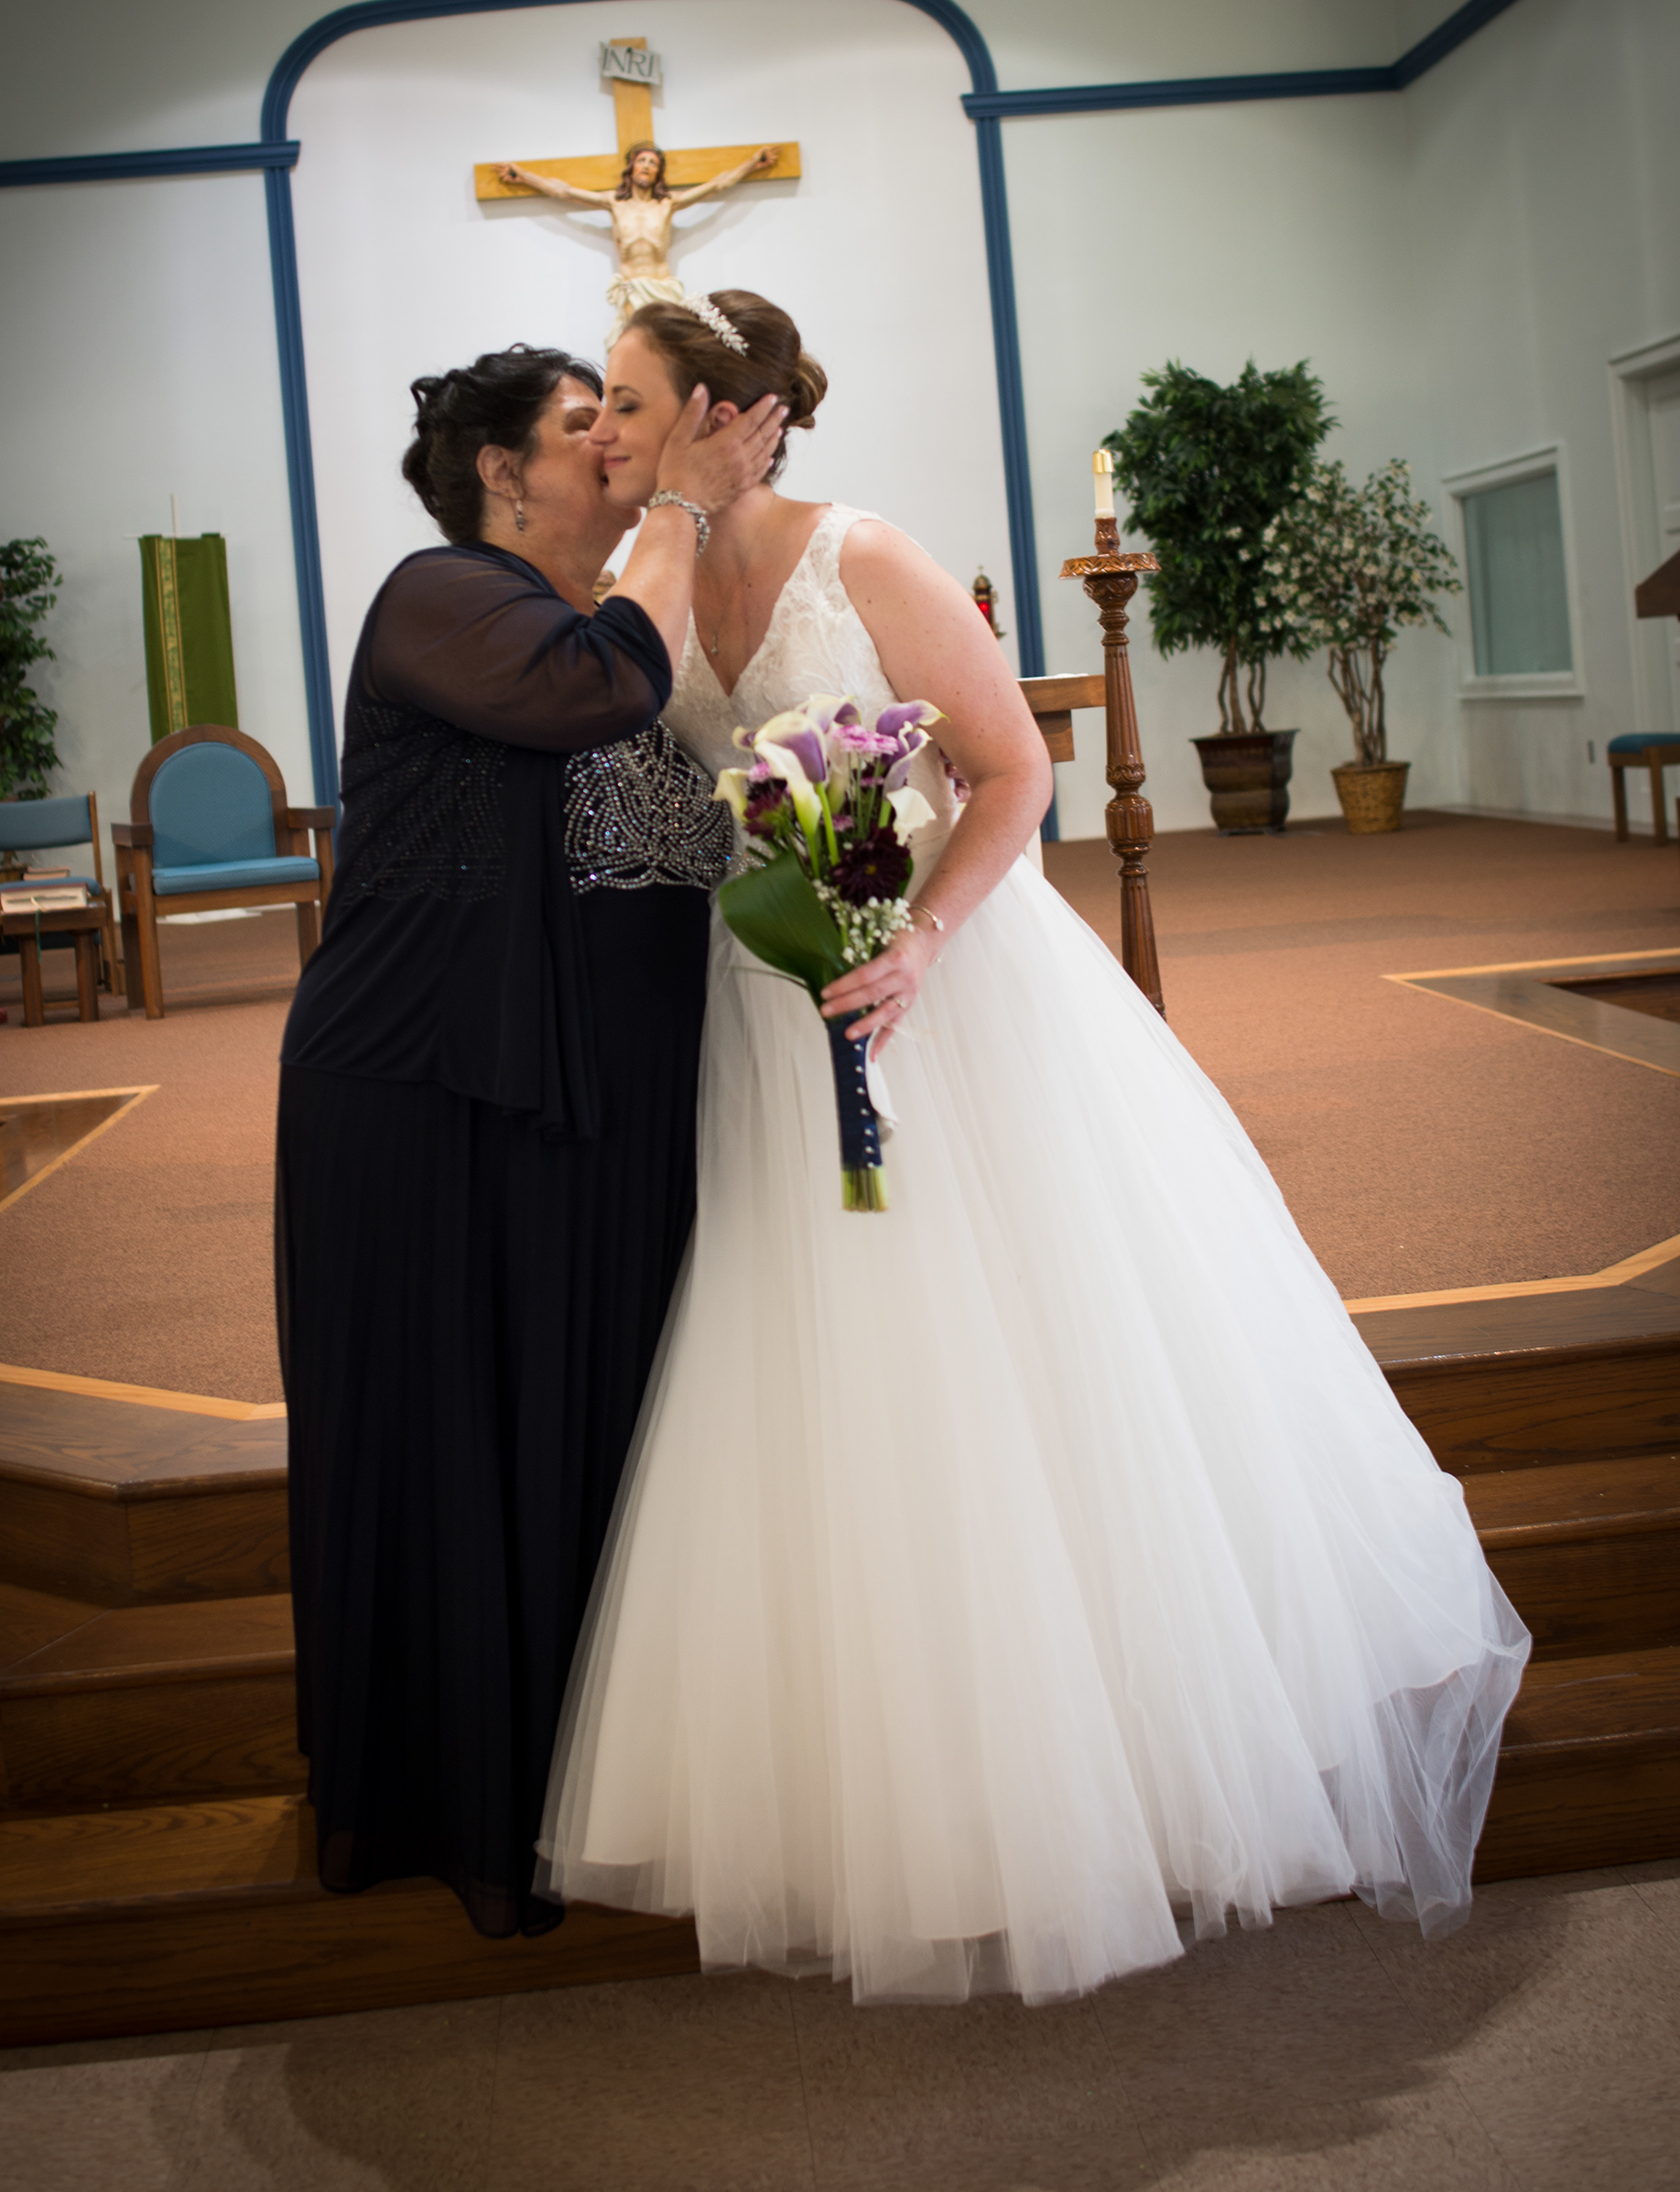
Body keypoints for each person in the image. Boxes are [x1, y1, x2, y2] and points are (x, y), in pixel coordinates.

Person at [537, 290, 1532, 2002]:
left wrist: (915, 937)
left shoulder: (866, 557)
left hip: (946, 991)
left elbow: (1010, 773)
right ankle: (896, 1781)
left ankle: (1125, 1753)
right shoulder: (646, 578)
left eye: (625, 402)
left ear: (717, 411)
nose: (600, 433)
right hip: (768, 1009)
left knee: (1027, 1337)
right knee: (828, 1353)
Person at [276, 341, 783, 1936]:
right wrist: (684, 510)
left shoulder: (628, 624)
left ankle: (589, 1789)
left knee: (587, 1431)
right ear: (502, 474)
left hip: (600, 1113)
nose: (618, 448)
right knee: (458, 1436)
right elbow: (591, 695)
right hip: (426, 1100)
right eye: (585, 427)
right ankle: (452, 1798)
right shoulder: (443, 597)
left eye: (620, 420)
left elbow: (686, 825)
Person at [498, 143, 780, 340]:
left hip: (663, 286)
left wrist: (753, 163)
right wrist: (523, 176)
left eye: (653, 163)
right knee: (639, 342)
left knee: (672, 345)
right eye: (642, 161)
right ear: (631, 167)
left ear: (659, 173)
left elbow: (719, 184)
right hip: (632, 289)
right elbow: (563, 191)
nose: (647, 166)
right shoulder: (614, 202)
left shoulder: (668, 203)